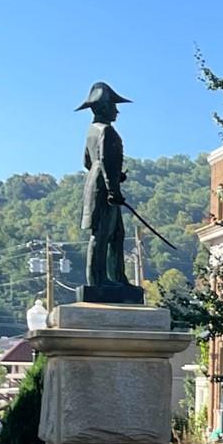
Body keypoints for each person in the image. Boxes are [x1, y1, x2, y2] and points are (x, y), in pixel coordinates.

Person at [77, 81, 138, 299]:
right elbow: (103, 161)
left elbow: (87, 161)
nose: (117, 110)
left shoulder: (91, 131)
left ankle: (117, 277)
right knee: (102, 233)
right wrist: (113, 188)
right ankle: (99, 279)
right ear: (103, 108)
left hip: (97, 183)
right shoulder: (106, 131)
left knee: (117, 234)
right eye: (113, 105)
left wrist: (114, 177)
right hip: (104, 189)